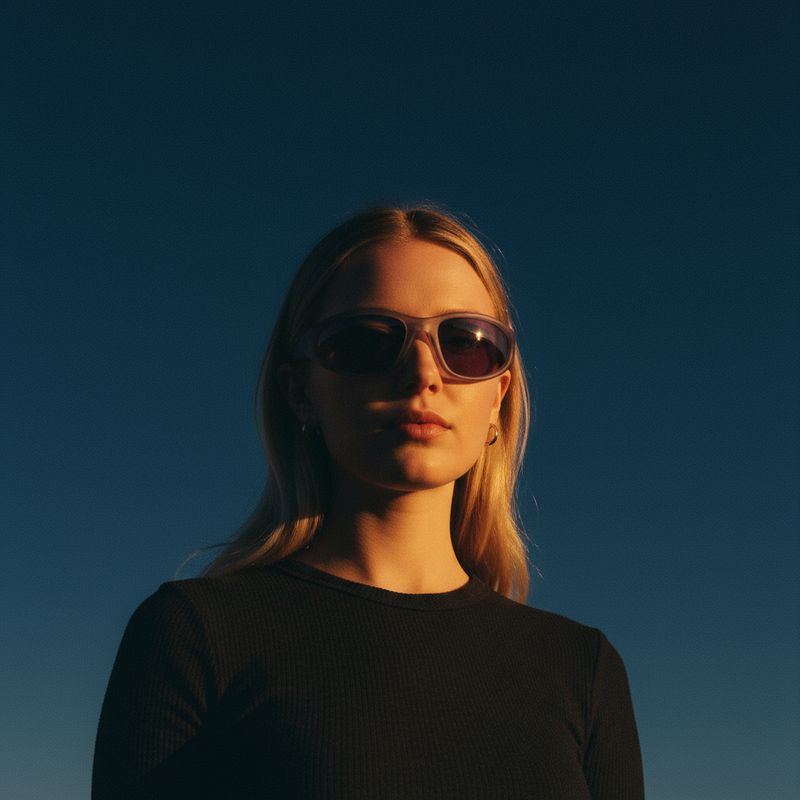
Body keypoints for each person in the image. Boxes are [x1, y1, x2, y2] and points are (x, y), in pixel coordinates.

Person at [92, 205, 644, 799]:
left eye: (466, 344)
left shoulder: (582, 668)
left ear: (497, 397)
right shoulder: (195, 636)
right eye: (367, 341)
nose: (423, 373)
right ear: (300, 391)